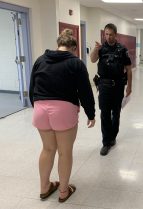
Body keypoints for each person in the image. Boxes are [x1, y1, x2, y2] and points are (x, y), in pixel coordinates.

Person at [29, 29, 96, 203]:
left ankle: (44, 188)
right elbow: (85, 91)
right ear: (73, 47)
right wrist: (91, 113)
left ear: (58, 45)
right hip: (63, 110)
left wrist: (35, 106)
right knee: (65, 152)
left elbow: (32, 87)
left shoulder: (40, 60)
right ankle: (64, 191)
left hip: (40, 108)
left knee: (47, 149)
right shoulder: (75, 63)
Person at [90, 23, 132, 156]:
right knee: (105, 114)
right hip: (104, 86)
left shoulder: (122, 49)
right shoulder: (101, 49)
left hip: (118, 85)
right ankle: (106, 142)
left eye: (111, 34)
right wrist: (95, 49)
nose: (108, 37)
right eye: (106, 34)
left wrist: (129, 86)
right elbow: (92, 60)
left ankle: (113, 136)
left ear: (116, 34)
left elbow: (129, 69)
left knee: (116, 113)